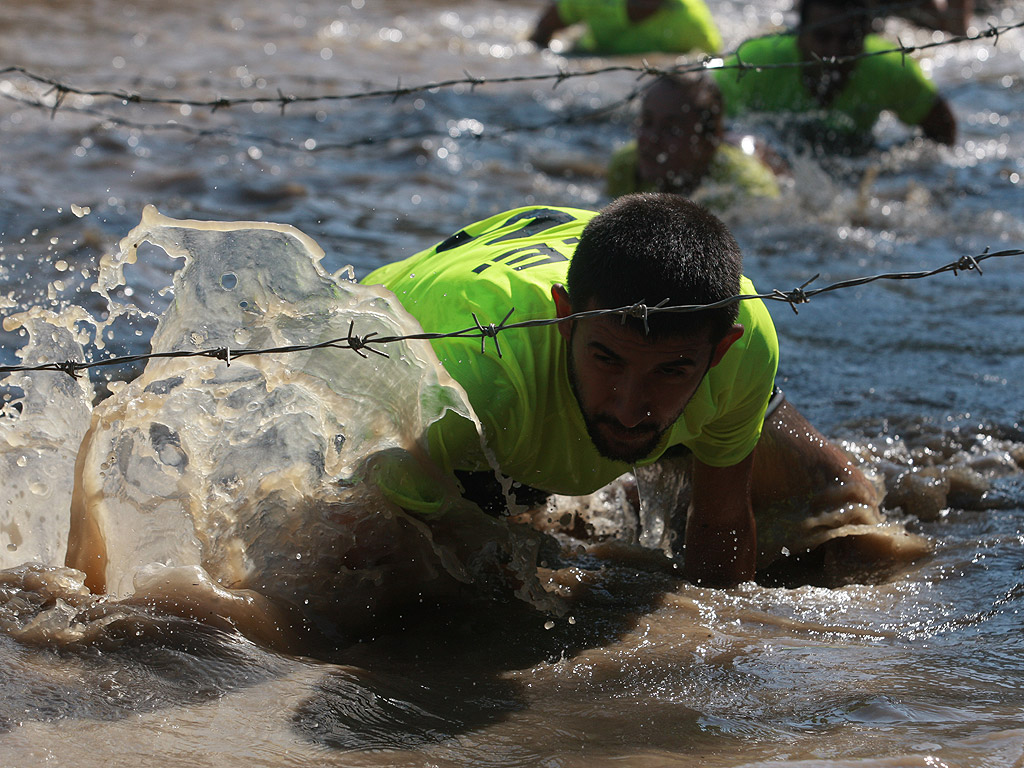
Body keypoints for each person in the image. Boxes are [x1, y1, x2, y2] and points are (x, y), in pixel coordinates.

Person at [362, 194, 889, 588]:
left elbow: (722, 520)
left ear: (720, 350)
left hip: (569, 265)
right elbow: (357, 554)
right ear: (566, 319)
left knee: (835, 503)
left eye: (671, 372)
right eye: (607, 359)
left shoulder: (746, 342)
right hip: (415, 319)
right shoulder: (464, 388)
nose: (631, 406)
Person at [711, 0, 957, 151]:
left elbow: (942, 129)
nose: (834, 53)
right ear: (799, 33)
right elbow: (707, 120)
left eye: (848, 39)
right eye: (822, 37)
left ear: (866, 37)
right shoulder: (756, 63)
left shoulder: (889, 69)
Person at [607, 72, 785, 205]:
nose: (651, 139)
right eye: (647, 122)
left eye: (672, 129)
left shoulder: (745, 188)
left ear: (707, 142)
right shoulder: (626, 165)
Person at [529, 0, 722, 56]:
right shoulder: (595, 2)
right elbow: (542, 30)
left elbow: (713, 59)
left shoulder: (692, 24)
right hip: (585, 48)